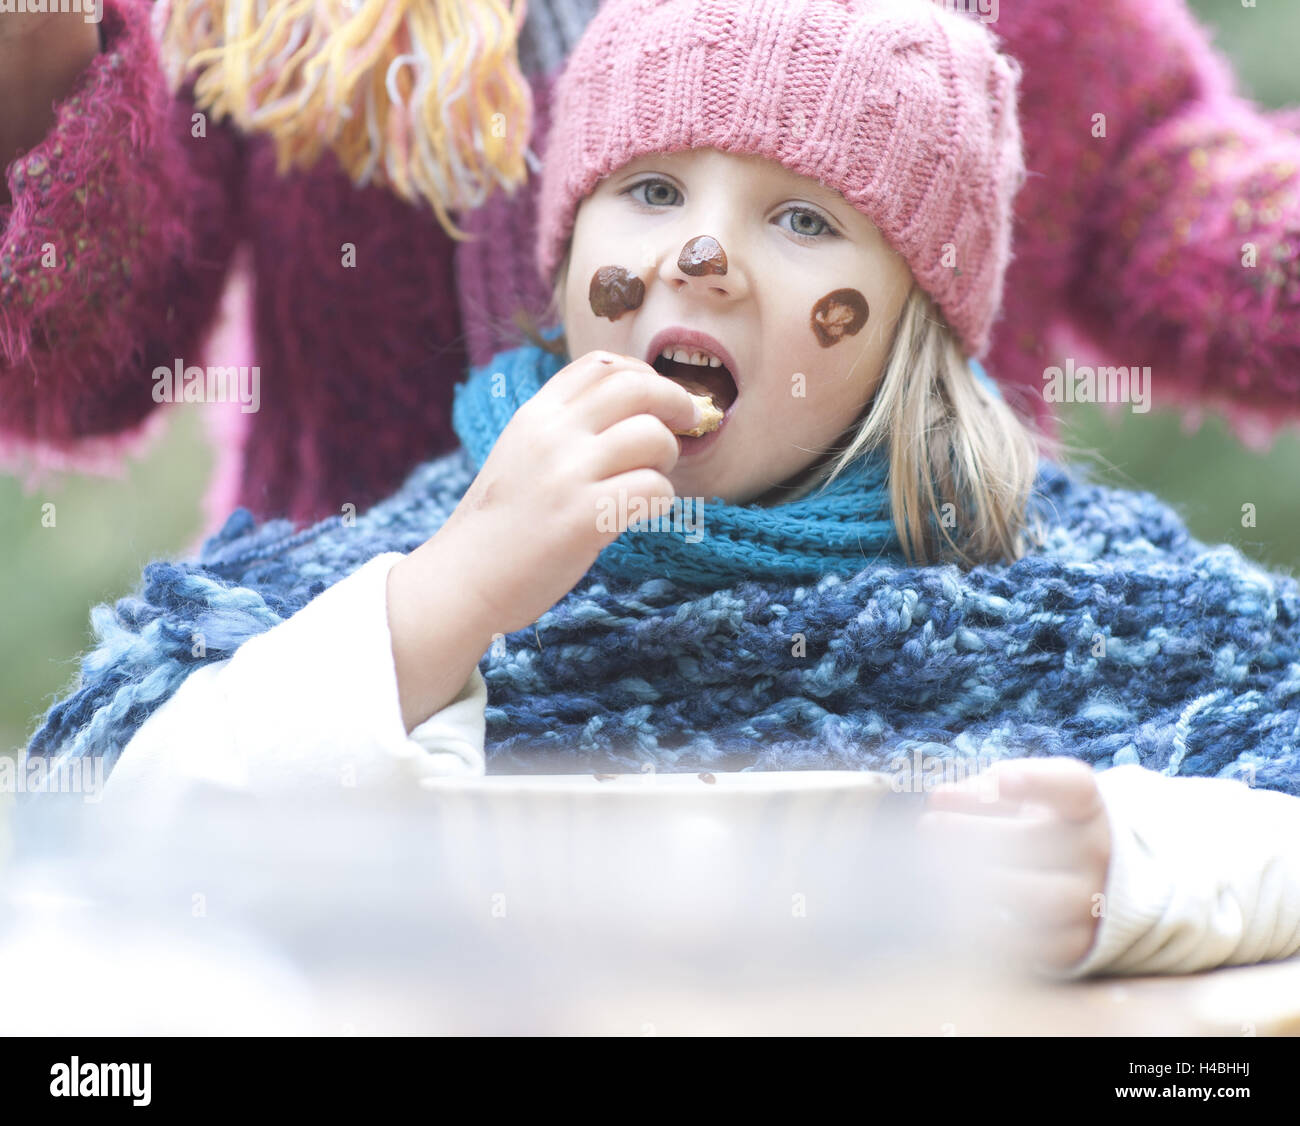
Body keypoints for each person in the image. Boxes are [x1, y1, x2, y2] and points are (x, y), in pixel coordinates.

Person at [21, 0, 1300, 981]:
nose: (700, 255)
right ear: (560, 254)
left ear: (918, 330)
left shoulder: (1054, 601)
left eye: (802, 219)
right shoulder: (389, 586)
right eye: (646, 192)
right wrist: (440, 608)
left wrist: (1126, 868)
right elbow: (130, 831)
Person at [3, 0, 1299, 530]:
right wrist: (37, 69)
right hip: (374, 768)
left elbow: (1170, 194)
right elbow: (72, 369)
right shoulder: (290, 27)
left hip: (899, 766)